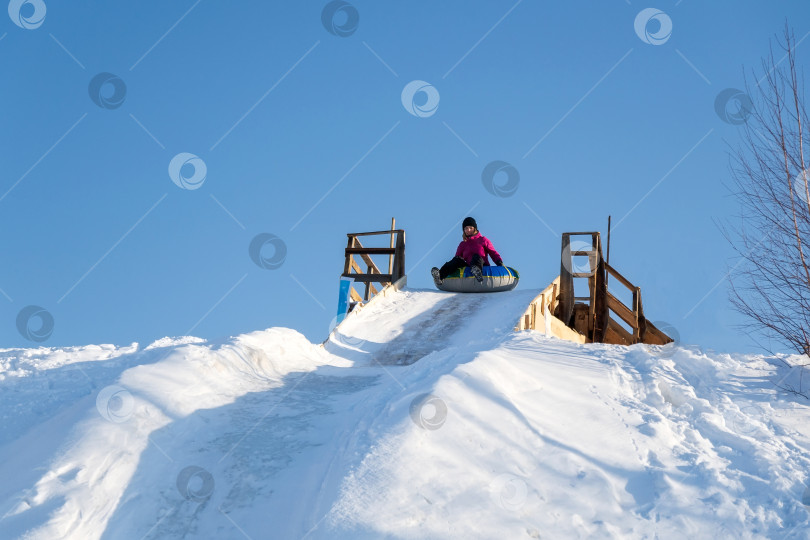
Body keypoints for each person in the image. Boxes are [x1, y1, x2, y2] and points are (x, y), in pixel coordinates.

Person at [431, 217, 503, 285]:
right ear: (464, 230)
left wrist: (499, 262)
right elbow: (457, 258)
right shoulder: (463, 244)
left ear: (475, 228)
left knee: (476, 256)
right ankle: (440, 276)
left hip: (482, 265)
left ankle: (477, 272)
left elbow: (493, 253)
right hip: (468, 267)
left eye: (470, 228)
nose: (468, 230)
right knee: (457, 259)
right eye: (466, 228)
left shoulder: (483, 240)